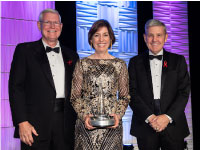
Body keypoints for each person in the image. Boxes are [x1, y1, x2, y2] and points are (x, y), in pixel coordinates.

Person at [9, 9, 79, 150]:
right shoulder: (24, 51)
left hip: (65, 125)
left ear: (61, 26)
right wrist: (22, 122)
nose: (52, 26)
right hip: (33, 126)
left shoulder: (72, 55)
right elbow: (16, 88)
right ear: (39, 25)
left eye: (56, 23)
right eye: (47, 22)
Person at [128, 19, 190, 150]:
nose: (154, 39)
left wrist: (167, 117)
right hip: (145, 125)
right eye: (150, 35)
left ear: (166, 37)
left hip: (173, 125)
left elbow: (184, 92)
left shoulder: (178, 60)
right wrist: (150, 118)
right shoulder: (134, 62)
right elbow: (131, 93)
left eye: (159, 35)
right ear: (145, 38)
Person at [70, 19, 130, 150]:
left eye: (105, 35)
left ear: (111, 39)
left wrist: (118, 115)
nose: (101, 39)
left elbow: (125, 97)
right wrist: (84, 115)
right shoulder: (82, 64)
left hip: (112, 127)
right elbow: (75, 97)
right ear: (91, 39)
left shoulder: (120, 65)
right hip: (86, 127)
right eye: (96, 35)